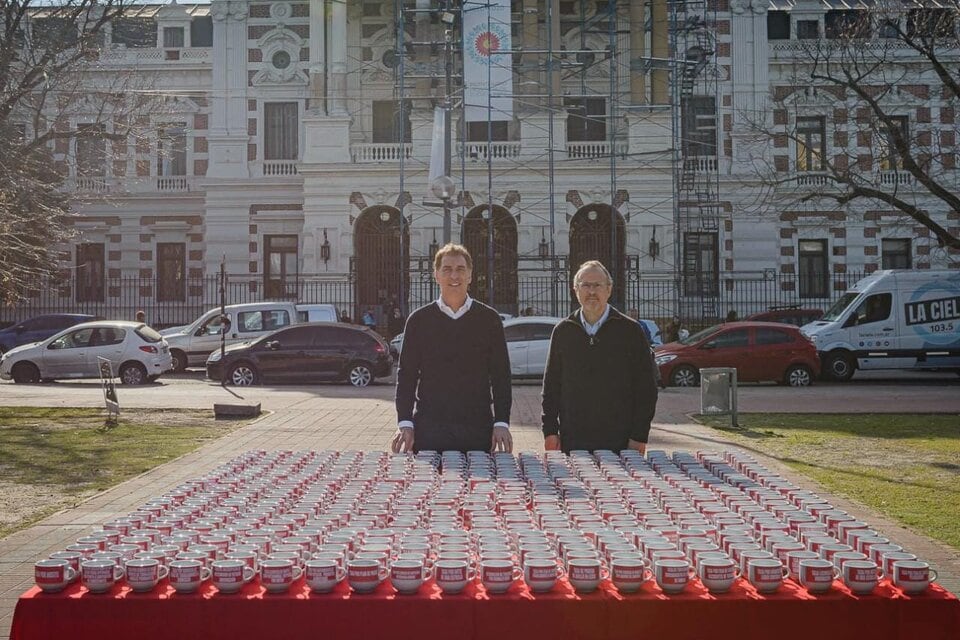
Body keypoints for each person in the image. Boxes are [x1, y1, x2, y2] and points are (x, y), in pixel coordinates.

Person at [392, 243, 512, 454]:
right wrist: (405, 422)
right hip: (430, 430)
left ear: (470, 275)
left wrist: (501, 422)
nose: (454, 276)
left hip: (477, 430)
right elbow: (406, 375)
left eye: (460, 269)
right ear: (436, 275)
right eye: (447, 269)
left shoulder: (489, 319)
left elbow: (501, 375)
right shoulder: (418, 321)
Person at [541, 260, 658, 454]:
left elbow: (646, 388)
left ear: (609, 289)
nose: (592, 291)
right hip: (573, 441)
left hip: (620, 442)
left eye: (597, 285)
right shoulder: (563, 331)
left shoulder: (630, 331)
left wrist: (639, 435)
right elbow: (551, 386)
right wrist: (550, 431)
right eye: (585, 285)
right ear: (575, 290)